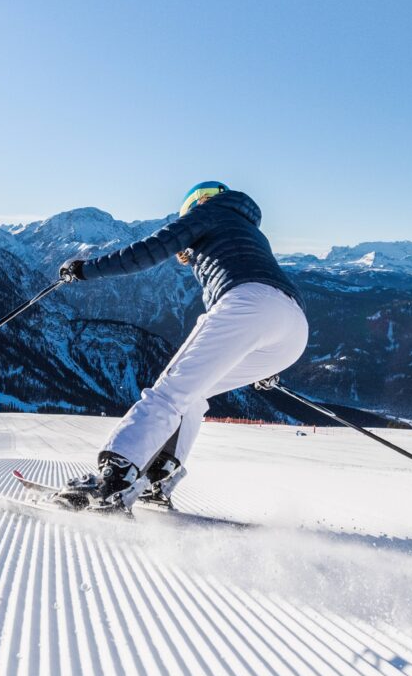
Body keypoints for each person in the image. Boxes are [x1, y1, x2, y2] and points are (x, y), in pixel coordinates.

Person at [56, 181, 308, 511]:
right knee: (192, 394)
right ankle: (156, 481)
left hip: (247, 304)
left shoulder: (209, 212)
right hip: (293, 327)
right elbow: (272, 296)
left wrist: (86, 270)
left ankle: (113, 481)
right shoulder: (249, 230)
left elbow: (146, 252)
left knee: (169, 393)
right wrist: (264, 359)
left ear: (197, 203)